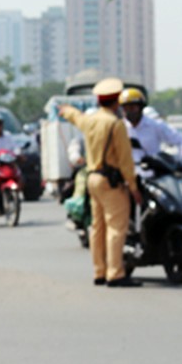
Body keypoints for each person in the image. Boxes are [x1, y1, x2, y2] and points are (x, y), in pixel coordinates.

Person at [59, 78, 142, 287]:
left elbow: (75, 117)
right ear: (116, 101)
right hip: (111, 182)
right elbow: (125, 161)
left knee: (97, 228)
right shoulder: (116, 124)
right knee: (116, 227)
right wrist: (133, 188)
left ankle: (100, 271)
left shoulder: (91, 121)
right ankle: (115, 273)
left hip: (92, 178)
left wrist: (65, 110)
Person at [119, 88, 182, 175]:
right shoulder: (119, 128)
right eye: (126, 109)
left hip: (155, 178)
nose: (129, 112)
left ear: (140, 108)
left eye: (132, 108)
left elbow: (181, 140)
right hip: (128, 180)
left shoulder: (155, 125)